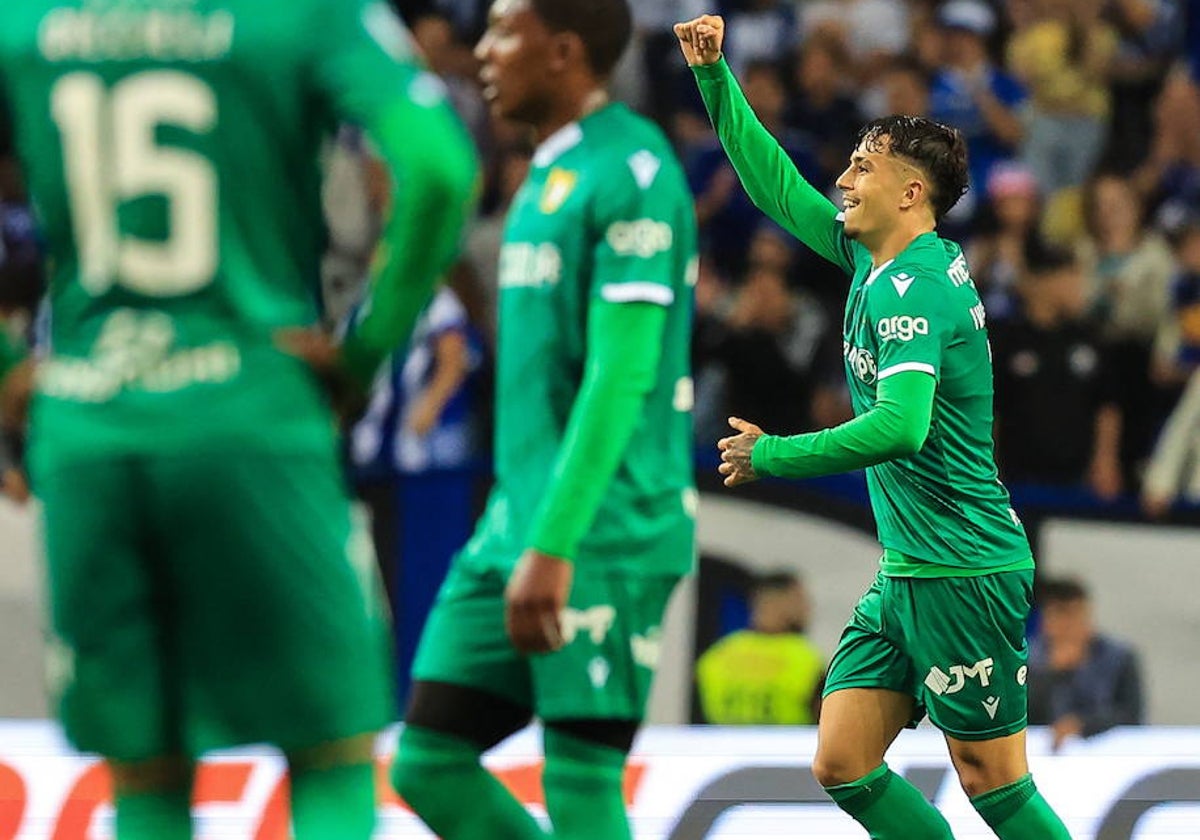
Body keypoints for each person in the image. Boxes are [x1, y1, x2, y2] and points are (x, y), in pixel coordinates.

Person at [0, 1, 477, 837]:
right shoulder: (302, 13)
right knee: (328, 751)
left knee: (145, 774)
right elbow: (439, 168)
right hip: (254, 414)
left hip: (88, 431)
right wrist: (364, 353)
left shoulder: (25, 18)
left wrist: (8, 372)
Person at [676, 14, 1072, 840]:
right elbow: (775, 187)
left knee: (992, 783)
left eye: (864, 165)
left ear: (911, 192)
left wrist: (774, 452)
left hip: (962, 567)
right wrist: (716, 78)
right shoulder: (875, 258)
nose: (844, 177)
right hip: (907, 570)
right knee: (843, 761)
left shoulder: (912, 288)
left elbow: (901, 427)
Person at [391, 2, 698, 839]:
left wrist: (557, 540)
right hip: (513, 523)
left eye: (502, 31)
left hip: (601, 530)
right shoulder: (547, 174)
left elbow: (622, 373)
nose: (480, 50)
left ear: (563, 52)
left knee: (582, 780)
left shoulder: (633, 169)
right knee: (428, 763)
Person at [990, 241, 1123, 500]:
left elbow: (1107, 405)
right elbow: (991, 411)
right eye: (1070, 277)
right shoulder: (1007, 342)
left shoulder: (1089, 339)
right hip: (1018, 483)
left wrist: (1106, 460)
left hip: (1078, 484)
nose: (1079, 287)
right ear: (1044, 281)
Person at [1026, 577, 1144, 750]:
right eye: (1059, 615)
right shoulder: (1027, 659)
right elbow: (1015, 714)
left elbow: (1131, 713)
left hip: (1105, 752)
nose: (1067, 625)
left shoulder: (1119, 657)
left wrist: (1083, 724)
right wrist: (1051, 673)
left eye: (1073, 615)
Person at [695, 571, 825, 725]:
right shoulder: (805, 658)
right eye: (801, 600)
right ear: (781, 602)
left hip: (724, 746)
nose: (808, 609)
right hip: (787, 747)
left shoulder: (716, 655)